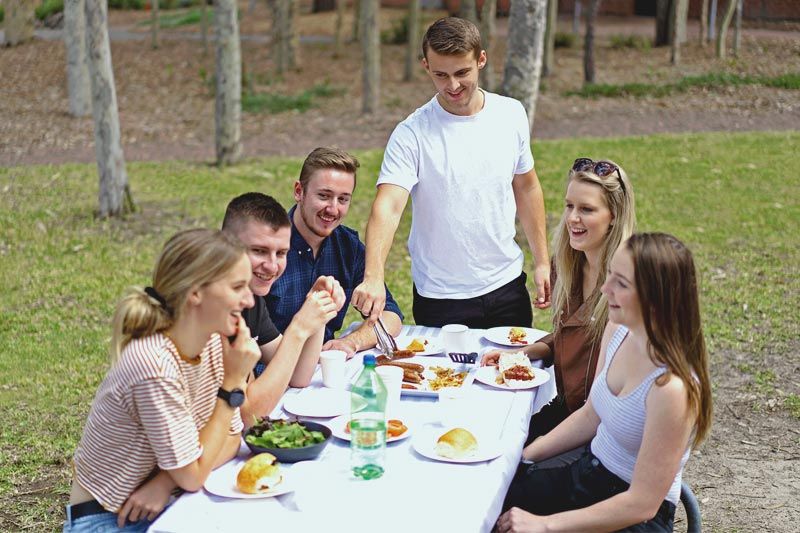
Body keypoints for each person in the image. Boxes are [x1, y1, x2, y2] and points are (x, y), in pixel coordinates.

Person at [496, 233, 713, 533]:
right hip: (590, 474)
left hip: (634, 516)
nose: (605, 288)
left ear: (656, 299)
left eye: (621, 283)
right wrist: (525, 454)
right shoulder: (618, 329)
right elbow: (591, 414)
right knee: (495, 496)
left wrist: (545, 525)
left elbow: (642, 504)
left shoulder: (672, 388)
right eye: (610, 274)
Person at [351, 17, 550, 329]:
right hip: (440, 297)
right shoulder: (411, 133)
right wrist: (374, 277)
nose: (453, 86)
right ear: (426, 66)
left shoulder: (511, 114)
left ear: (481, 59)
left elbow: (526, 187)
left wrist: (542, 262)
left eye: (462, 73)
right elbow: (388, 206)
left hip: (507, 287)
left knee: (512, 375)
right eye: (441, 75)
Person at [65, 229, 265, 531]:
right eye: (238, 287)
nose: (249, 300)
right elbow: (194, 476)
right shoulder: (154, 365)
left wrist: (164, 481)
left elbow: (232, 438)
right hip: (106, 519)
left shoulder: (213, 341)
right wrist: (232, 383)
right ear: (195, 293)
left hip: (169, 500)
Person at [482, 158, 635, 446]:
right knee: (494, 442)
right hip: (566, 410)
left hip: (602, 432)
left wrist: (530, 454)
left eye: (586, 209)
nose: (572, 218)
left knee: (514, 468)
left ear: (614, 214)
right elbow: (568, 337)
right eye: (569, 206)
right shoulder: (567, 265)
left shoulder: (628, 283)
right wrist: (519, 355)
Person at [265, 147, 404, 358]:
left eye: (343, 199)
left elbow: (391, 316)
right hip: (267, 372)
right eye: (324, 196)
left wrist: (351, 342)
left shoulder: (348, 246)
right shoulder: (266, 249)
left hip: (320, 371)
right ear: (298, 192)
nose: (333, 209)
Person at [221, 193, 344, 420]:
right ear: (226, 246)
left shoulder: (250, 298)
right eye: (259, 251)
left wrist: (317, 310)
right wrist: (297, 329)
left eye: (281, 253)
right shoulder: (217, 307)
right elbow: (249, 415)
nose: (272, 266)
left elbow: (298, 375)